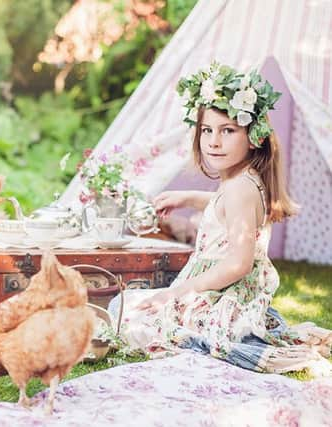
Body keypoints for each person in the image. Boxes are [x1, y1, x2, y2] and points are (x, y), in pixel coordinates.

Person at [108, 62, 331, 375]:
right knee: (130, 305)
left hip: (222, 299)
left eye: (228, 131)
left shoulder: (240, 188)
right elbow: (227, 209)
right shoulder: (244, 180)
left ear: (254, 138)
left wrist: (177, 292)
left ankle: (227, 338)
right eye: (206, 130)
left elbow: (238, 264)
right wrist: (189, 198)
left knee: (127, 313)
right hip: (222, 293)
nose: (213, 141)